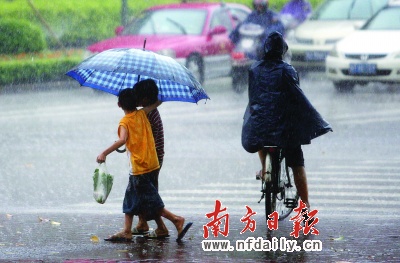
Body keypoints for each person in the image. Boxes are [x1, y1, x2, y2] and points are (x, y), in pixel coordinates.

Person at [241, 31, 332, 211]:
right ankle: (305, 207)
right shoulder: (288, 70)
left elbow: (254, 98)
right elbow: (296, 97)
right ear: (282, 50)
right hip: (284, 129)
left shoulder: (254, 70)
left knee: (259, 133)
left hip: (261, 126)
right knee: (297, 162)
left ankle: (264, 169)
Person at [97, 87, 192, 242]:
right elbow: (158, 102)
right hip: (152, 163)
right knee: (131, 198)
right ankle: (128, 230)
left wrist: (104, 153)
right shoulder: (143, 113)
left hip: (140, 167)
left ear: (119, 105)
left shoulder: (124, 122)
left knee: (152, 201)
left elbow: (122, 140)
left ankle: (176, 219)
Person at [131, 79, 167, 237]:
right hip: (152, 157)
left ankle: (161, 227)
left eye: (137, 96)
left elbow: (143, 138)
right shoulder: (150, 111)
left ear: (144, 99)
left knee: (148, 192)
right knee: (142, 190)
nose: (135, 99)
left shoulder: (147, 115)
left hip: (150, 160)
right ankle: (142, 222)